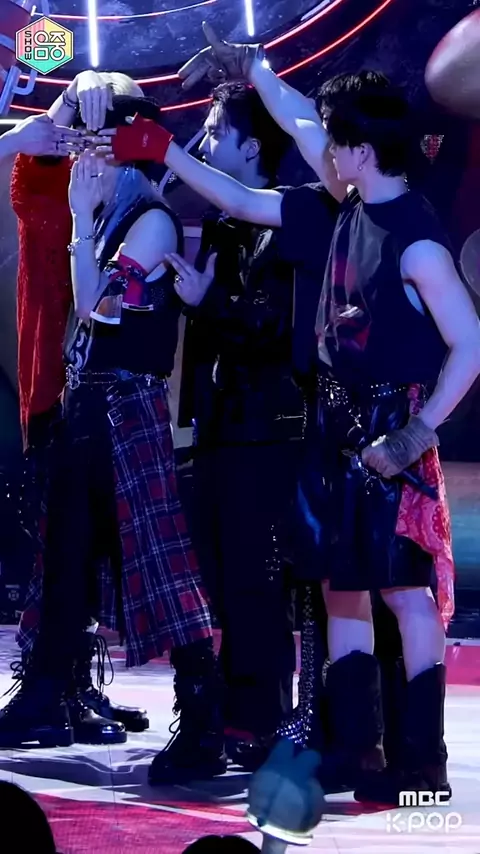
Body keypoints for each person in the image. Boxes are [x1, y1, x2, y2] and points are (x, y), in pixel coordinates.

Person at [98, 35, 480, 801]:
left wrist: (416, 433)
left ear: (360, 150)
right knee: (340, 586)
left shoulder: (417, 239)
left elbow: (471, 343)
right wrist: (237, 89)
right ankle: (358, 749)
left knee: (404, 594)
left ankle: (422, 759)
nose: (319, 146)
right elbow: (252, 188)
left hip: (392, 425)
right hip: (333, 425)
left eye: (334, 141)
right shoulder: (342, 208)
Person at [0, 94, 226, 786]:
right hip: (91, 406)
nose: (83, 162)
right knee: (66, 557)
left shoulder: (150, 221)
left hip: (127, 408)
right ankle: (48, 691)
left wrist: (77, 220)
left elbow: (96, 307)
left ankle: (203, 717)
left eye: (95, 148)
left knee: (156, 560)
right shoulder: (117, 216)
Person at [9, 71, 151, 742]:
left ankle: (69, 690)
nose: (98, 149)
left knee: (88, 556)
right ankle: (55, 690)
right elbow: (35, 163)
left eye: (110, 135)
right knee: (60, 554)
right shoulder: (50, 190)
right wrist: (75, 93)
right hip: (55, 396)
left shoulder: (135, 205)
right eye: (87, 135)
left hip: (110, 402)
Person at [171, 81, 301, 772]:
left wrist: (208, 302)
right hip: (221, 423)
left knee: (256, 579)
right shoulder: (223, 225)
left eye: (217, 131)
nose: (205, 143)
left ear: (252, 147)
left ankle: (262, 717)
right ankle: (230, 712)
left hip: (268, 427)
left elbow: (273, 329)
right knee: (220, 577)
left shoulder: (290, 218)